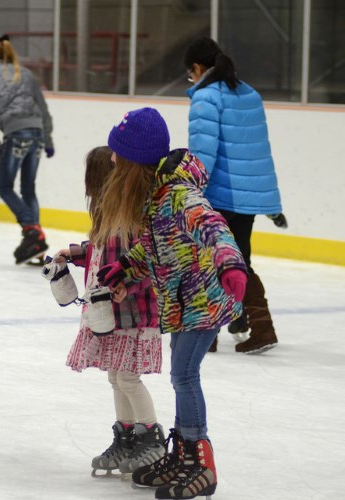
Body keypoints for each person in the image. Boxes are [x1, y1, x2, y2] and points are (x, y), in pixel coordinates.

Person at [95, 107, 247, 499]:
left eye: (118, 154)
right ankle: (183, 453)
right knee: (182, 374)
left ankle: (201, 462)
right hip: (183, 303)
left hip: (206, 300)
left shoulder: (179, 194)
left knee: (184, 375)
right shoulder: (155, 193)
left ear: (135, 160)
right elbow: (154, 246)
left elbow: (214, 226)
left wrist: (231, 266)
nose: (112, 159)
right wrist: (126, 268)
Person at [53, 146, 164, 477]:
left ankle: (151, 437)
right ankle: (126, 436)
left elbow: (148, 263)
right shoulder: (107, 216)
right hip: (111, 313)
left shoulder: (131, 218)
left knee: (127, 376)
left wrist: (127, 287)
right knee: (116, 376)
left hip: (134, 313)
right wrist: (73, 254)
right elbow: (100, 252)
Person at [184, 37, 286, 354]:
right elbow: (258, 152)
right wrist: (270, 204)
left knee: (207, 260)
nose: (190, 79)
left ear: (198, 68)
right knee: (238, 258)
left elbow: (204, 152)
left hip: (220, 195)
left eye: (190, 73)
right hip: (246, 197)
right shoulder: (249, 93)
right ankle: (248, 322)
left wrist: (191, 188)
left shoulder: (205, 97)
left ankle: (209, 333)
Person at [0, 34, 54, 265]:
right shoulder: (25, 73)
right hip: (37, 132)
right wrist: (48, 138)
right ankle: (37, 246)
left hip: (16, 133)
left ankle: (31, 231)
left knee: (4, 187)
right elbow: (42, 106)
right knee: (28, 189)